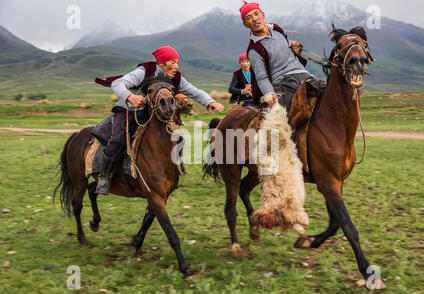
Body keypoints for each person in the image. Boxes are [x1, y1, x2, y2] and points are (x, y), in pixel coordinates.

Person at [94, 46, 224, 195]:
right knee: (117, 140)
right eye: (173, 62)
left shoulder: (175, 77)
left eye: (178, 63)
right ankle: (104, 177)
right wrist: (131, 97)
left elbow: (193, 91)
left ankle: (170, 171)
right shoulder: (144, 71)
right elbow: (118, 84)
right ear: (162, 62)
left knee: (179, 138)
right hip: (128, 110)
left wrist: (209, 102)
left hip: (152, 114)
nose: (176, 66)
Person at [239, 1, 326, 111]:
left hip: (304, 76)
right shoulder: (254, 49)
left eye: (256, 14)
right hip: (283, 83)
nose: (255, 19)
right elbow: (262, 78)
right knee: (289, 118)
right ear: (245, 24)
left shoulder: (276, 29)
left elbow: (286, 47)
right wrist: (270, 95)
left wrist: (294, 47)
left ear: (263, 14)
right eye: (249, 17)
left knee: (332, 93)